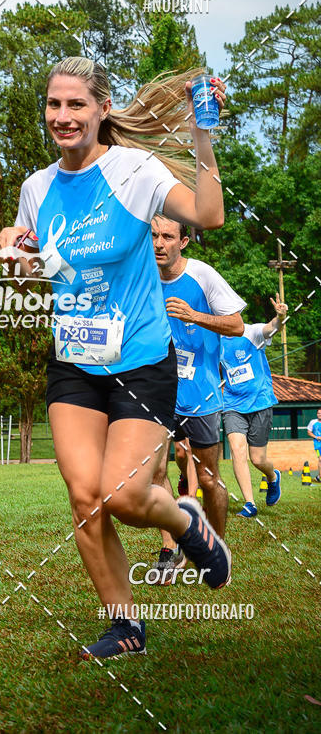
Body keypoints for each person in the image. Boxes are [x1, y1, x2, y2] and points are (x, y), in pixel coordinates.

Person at [0, 57, 231, 659]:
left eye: (76, 105)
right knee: (84, 497)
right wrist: (10, 253)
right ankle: (125, 625)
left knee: (124, 497)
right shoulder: (37, 187)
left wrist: (204, 131)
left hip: (141, 361)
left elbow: (209, 215)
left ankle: (185, 523)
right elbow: (19, 240)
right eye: (54, 105)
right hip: (73, 364)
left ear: (102, 109)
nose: (63, 116)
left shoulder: (133, 170)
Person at [149, 215, 245, 581]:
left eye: (168, 237)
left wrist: (194, 315)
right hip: (157, 392)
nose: (159, 243)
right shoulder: (141, 274)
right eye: (155, 235)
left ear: (183, 242)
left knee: (208, 479)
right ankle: (169, 549)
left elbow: (235, 325)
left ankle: (214, 549)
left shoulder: (202, 275)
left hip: (200, 394)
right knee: (156, 473)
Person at [221, 294, 286, 516]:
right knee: (237, 450)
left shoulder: (251, 332)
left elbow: (270, 328)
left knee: (258, 459)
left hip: (260, 401)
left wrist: (280, 316)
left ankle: (272, 476)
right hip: (232, 403)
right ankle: (250, 504)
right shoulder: (214, 340)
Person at [306, 408, 321, 482]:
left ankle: (319, 476)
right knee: (320, 459)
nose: (320, 415)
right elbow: (309, 432)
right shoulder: (313, 422)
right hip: (318, 445)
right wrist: (316, 437)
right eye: (318, 413)